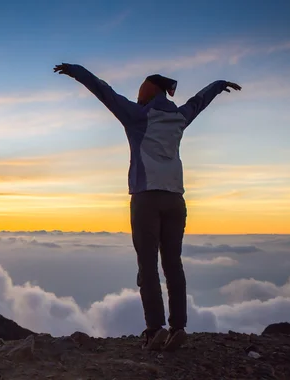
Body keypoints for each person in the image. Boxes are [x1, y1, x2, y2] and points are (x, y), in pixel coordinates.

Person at [54, 63, 241, 351]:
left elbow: (104, 91)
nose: (137, 95)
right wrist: (218, 84)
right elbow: (198, 102)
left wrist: (76, 71)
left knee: (148, 267)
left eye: (141, 91)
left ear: (148, 92)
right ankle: (178, 326)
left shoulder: (137, 116)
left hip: (146, 199)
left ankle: (155, 330)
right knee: (173, 264)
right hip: (176, 201)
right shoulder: (179, 117)